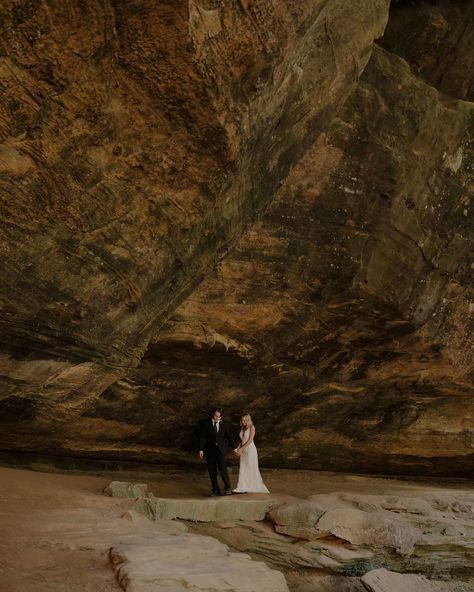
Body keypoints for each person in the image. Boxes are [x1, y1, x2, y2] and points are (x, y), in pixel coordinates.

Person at [199, 408, 239, 496]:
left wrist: (235, 448)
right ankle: (215, 490)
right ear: (213, 414)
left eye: (218, 416)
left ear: (221, 417)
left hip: (221, 451)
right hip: (210, 451)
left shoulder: (224, 424)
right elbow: (203, 437)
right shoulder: (206, 424)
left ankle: (228, 488)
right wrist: (201, 449)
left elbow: (229, 437)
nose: (216, 417)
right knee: (212, 471)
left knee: (223, 469)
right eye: (215, 415)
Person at [233, 413, 269, 493]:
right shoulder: (242, 427)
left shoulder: (252, 427)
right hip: (243, 451)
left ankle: (253, 487)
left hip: (250, 451)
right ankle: (242, 487)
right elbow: (241, 440)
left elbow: (249, 441)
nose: (243, 421)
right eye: (242, 420)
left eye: (244, 420)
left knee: (251, 468)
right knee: (243, 468)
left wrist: (241, 449)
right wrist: (238, 449)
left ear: (248, 420)